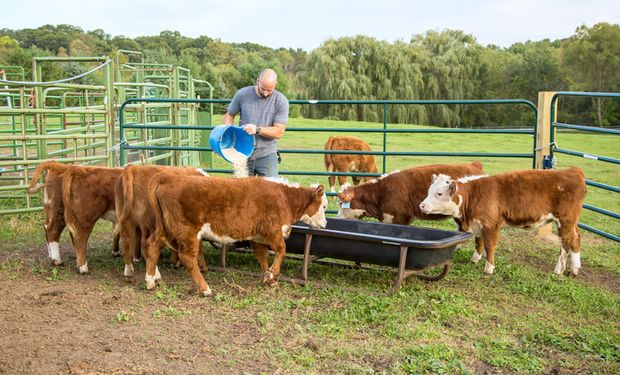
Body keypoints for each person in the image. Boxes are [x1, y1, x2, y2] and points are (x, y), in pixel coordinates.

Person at [222, 68, 289, 177]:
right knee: (241, 191)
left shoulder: (281, 101)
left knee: (270, 191)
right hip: (242, 152)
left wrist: (257, 129)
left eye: (270, 90)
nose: (266, 93)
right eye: (263, 89)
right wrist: (227, 135)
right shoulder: (242, 94)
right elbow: (229, 114)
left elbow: (279, 132)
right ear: (258, 81)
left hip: (267, 153)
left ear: (275, 85)